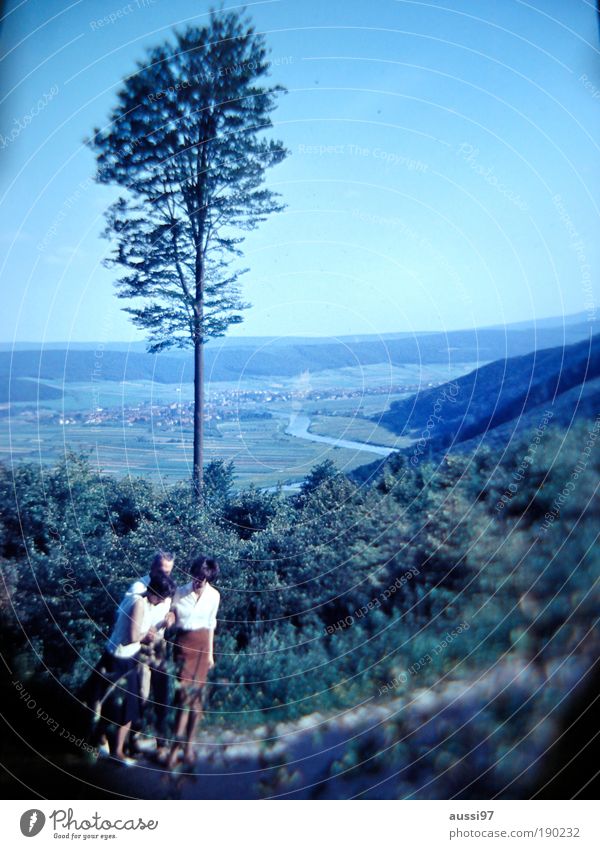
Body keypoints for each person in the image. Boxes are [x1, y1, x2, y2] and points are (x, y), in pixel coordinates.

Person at [86, 572, 176, 764]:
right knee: (113, 706)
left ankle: (116, 751)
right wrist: (147, 636)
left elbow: (152, 623)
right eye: (161, 598)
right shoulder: (138, 604)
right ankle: (102, 745)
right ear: (153, 593)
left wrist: (165, 618)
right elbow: (131, 637)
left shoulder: (147, 602)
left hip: (129, 657)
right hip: (118, 657)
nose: (162, 602)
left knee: (129, 707)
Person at [168, 556, 220, 768]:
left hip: (202, 648)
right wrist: (167, 620)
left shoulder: (214, 596)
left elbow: (210, 624)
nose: (198, 581)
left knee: (196, 703)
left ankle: (188, 746)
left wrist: (210, 654)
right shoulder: (180, 592)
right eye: (196, 576)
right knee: (183, 700)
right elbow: (170, 613)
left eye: (203, 578)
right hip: (183, 646)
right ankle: (174, 749)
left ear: (209, 578)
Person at [126, 551, 176, 758]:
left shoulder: (168, 588)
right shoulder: (139, 588)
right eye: (161, 571)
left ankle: (161, 743)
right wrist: (144, 633)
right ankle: (133, 739)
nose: (164, 575)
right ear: (152, 568)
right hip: (141, 646)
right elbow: (128, 618)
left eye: (168, 572)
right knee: (142, 694)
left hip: (160, 646)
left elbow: (170, 610)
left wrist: (171, 615)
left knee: (162, 694)